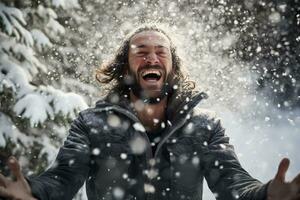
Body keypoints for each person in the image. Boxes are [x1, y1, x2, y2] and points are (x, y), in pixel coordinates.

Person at [0, 24, 299, 200]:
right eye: (140, 51)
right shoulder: (91, 124)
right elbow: (63, 177)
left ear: (172, 67)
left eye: (161, 51)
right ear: (126, 67)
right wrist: (32, 191)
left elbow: (233, 182)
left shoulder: (205, 126)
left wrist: (268, 193)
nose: (151, 57)